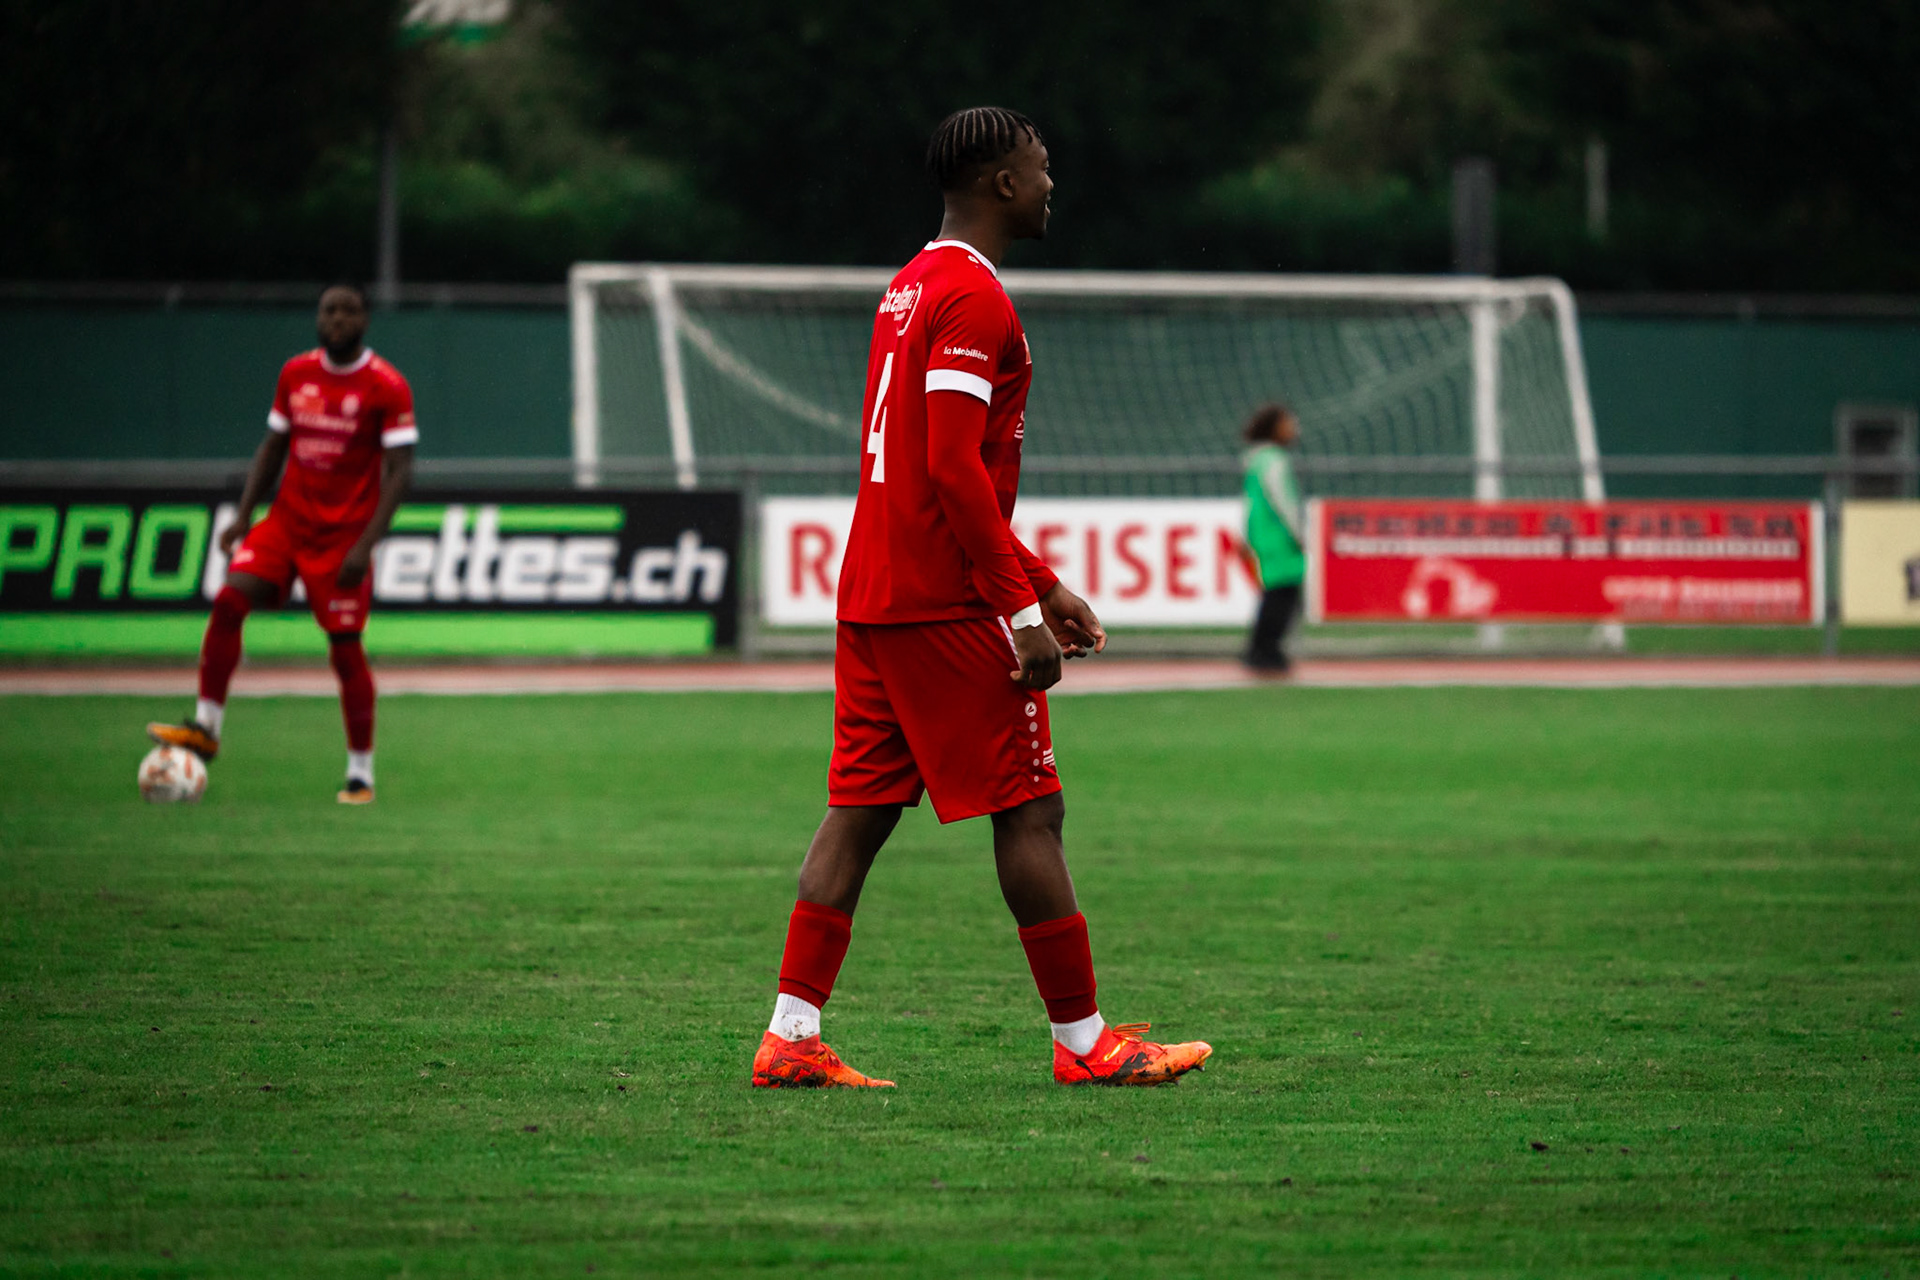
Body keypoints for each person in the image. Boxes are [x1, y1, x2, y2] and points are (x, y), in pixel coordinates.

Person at [750, 107, 1213, 1090]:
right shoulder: (974, 298)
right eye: (1043, 169)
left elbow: (937, 472)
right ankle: (1087, 1043)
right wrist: (1020, 614)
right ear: (1003, 182)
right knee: (1032, 812)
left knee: (859, 811)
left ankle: (791, 1031)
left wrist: (1046, 581)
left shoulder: (909, 286)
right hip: (942, 602)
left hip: (876, 590)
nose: (1053, 186)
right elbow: (953, 469)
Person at [147, 283, 416, 804]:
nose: (337, 318)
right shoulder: (296, 373)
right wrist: (243, 516)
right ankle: (206, 727)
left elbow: (402, 472)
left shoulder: (387, 386)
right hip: (287, 522)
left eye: (348, 310)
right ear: (318, 318)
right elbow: (274, 446)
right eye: (328, 310)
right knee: (229, 600)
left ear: (364, 320)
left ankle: (361, 774)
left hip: (342, 537)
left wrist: (367, 545)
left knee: (344, 650)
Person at [1241, 402, 1306, 672]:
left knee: (1275, 593)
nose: (1294, 429)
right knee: (1282, 594)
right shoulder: (1274, 461)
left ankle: (1262, 648)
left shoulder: (1255, 459)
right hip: (1278, 537)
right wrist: (1298, 532)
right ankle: (1265, 649)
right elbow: (1283, 500)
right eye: (1289, 423)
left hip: (1264, 535)